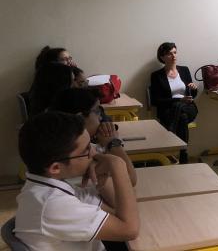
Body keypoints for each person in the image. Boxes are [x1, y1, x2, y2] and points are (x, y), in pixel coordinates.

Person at [15, 112, 139, 250]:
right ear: (55, 167)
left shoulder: (50, 184)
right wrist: (118, 166)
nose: (94, 153)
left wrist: (100, 175)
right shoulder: (53, 204)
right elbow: (130, 230)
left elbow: (116, 209)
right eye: (86, 150)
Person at [51, 88, 137, 186]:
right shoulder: (78, 155)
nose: (101, 117)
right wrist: (114, 143)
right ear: (80, 118)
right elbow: (129, 181)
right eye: (97, 111)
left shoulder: (64, 144)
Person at [149, 42, 197, 164]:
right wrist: (178, 100)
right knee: (182, 117)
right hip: (167, 110)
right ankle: (183, 154)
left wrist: (193, 89)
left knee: (182, 112)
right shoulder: (156, 76)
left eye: (175, 52)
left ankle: (169, 146)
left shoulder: (184, 70)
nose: (174, 56)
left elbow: (191, 96)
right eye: (170, 54)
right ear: (162, 57)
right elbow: (156, 101)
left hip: (188, 107)